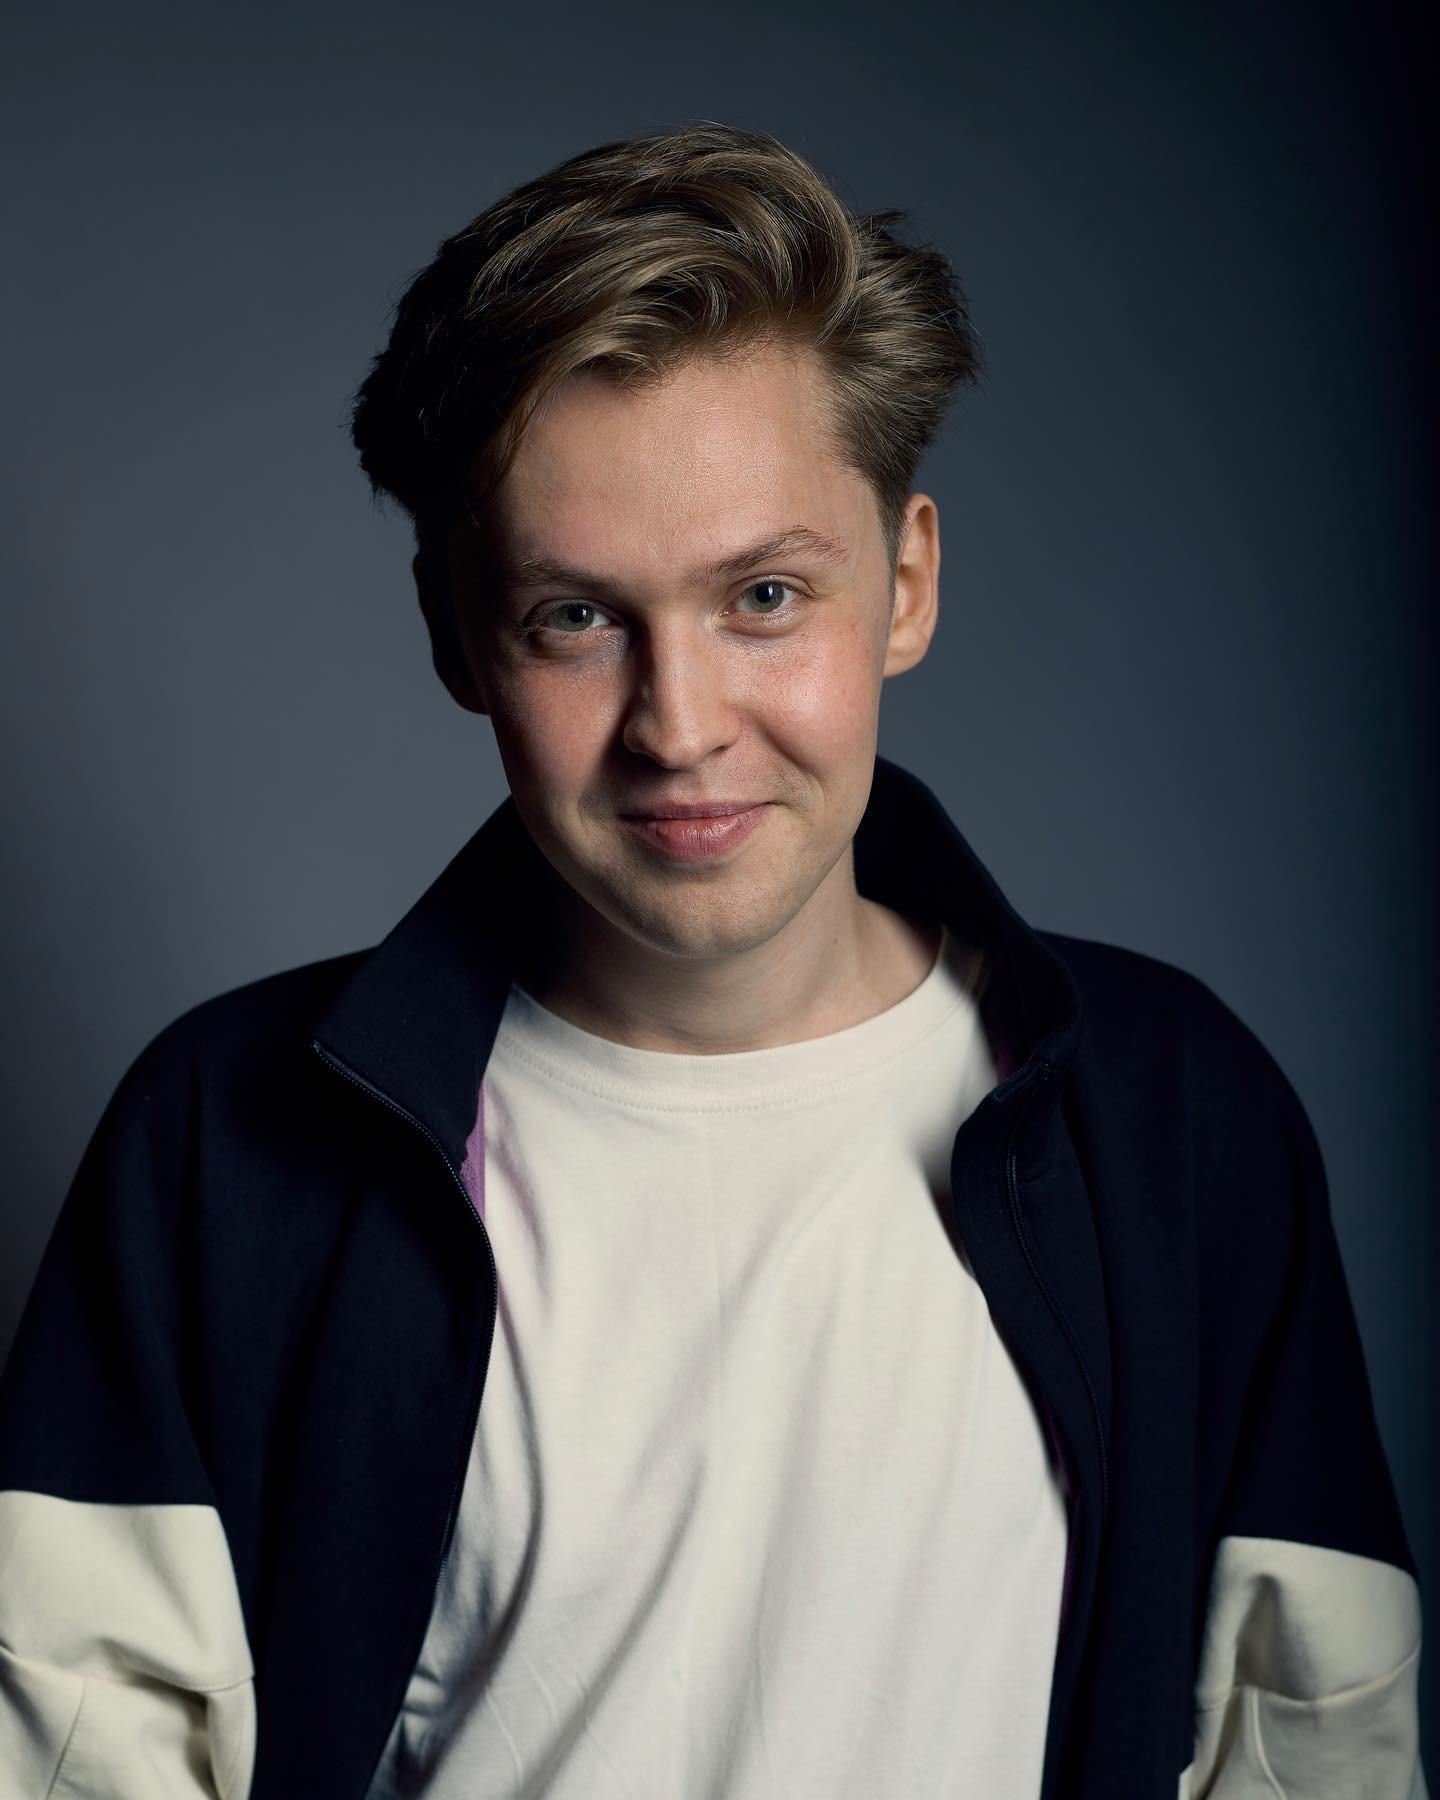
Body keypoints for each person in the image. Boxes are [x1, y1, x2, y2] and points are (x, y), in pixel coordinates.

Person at [0, 123, 1425, 1800]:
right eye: (576, 618)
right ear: (458, 634)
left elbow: (1310, 1751)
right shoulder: (221, 1144)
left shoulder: (1178, 1119)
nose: (678, 727)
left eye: (763, 596)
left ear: (906, 583)